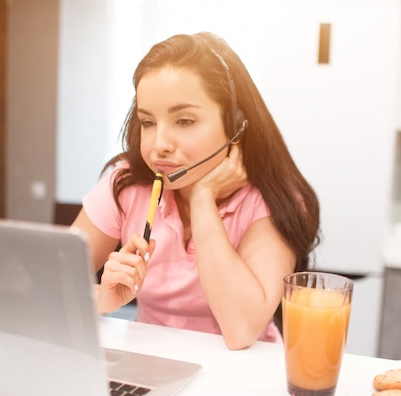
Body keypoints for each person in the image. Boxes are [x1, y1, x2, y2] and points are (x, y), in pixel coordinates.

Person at [72, 32, 320, 349]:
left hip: (242, 378)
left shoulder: (272, 201)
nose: (159, 145)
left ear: (236, 125)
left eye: (185, 121)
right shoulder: (127, 185)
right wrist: (103, 297)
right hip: (153, 368)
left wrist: (204, 200)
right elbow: (49, 288)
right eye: (148, 122)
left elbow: (241, 329)